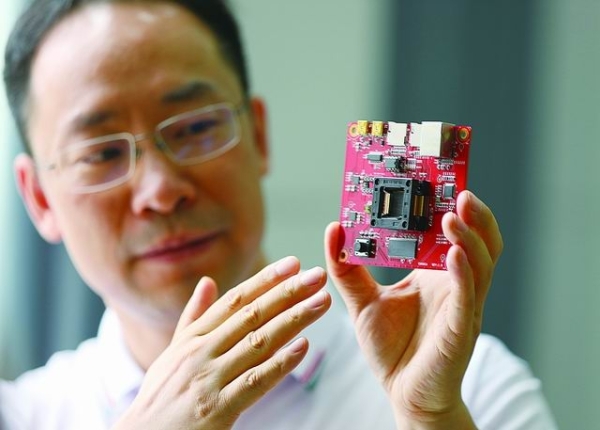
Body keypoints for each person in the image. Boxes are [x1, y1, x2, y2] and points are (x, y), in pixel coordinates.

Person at [0, 0, 557, 429]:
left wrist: (431, 419)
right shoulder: (21, 416)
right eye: (101, 153)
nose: (162, 191)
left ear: (259, 135)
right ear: (40, 198)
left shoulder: (471, 388)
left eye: (196, 128)